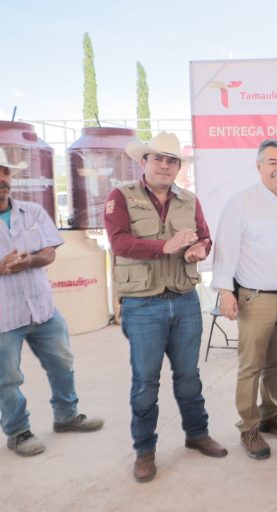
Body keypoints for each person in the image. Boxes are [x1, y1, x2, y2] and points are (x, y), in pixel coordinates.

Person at [104, 132, 227, 483]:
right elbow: (118, 242)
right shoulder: (121, 196)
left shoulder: (189, 200)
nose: (165, 165)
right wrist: (165, 247)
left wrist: (199, 249)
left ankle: (197, 433)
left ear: (178, 167)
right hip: (142, 304)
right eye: (158, 158)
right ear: (144, 162)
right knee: (145, 382)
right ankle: (145, 451)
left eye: (172, 160)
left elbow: (205, 236)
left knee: (189, 376)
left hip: (185, 299)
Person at [212, 139, 277, 460]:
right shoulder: (241, 203)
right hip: (256, 299)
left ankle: (270, 415)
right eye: (272, 162)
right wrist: (225, 292)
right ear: (259, 166)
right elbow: (225, 248)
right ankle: (249, 427)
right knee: (251, 366)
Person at [0, 148, 103, 457]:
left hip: (43, 310)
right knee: (7, 379)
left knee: (62, 364)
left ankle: (66, 416)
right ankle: (18, 432)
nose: (2, 179)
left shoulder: (31, 211)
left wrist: (29, 260)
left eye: (5, 172)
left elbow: (49, 252)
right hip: (4, 317)